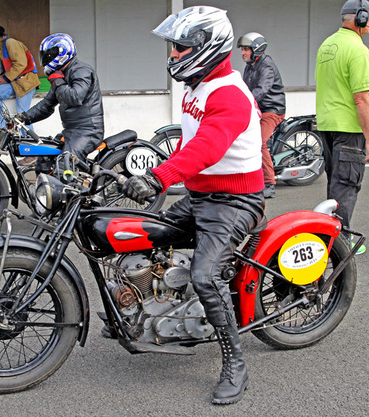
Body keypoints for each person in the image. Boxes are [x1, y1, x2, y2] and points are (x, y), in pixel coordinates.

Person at [123, 6, 265, 405]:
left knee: (206, 276)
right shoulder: (195, 88)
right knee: (147, 236)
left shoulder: (231, 95)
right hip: (201, 194)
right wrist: (156, 179)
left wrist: (158, 178)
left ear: (209, 48)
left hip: (235, 200)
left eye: (181, 48)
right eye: (173, 47)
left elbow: (209, 146)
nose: (172, 55)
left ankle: (235, 364)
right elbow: (189, 144)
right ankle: (148, 309)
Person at [315, 0, 369, 254]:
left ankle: (332, 235)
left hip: (327, 124)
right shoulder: (358, 50)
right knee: (346, 185)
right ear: (360, 18)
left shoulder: (326, 45)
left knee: (336, 183)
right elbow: (361, 98)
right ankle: (338, 244)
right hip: (348, 128)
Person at [17, 33, 104, 165]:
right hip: (71, 131)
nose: (46, 58)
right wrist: (23, 118)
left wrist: (57, 80)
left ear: (62, 53)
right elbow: (47, 105)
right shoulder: (60, 75)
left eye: (49, 54)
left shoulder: (82, 71)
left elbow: (75, 97)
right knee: (45, 159)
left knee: (66, 164)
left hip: (88, 131)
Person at [238, 32, 286, 198]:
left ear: (256, 50)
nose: (243, 52)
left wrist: (245, 102)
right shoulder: (249, 66)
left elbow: (261, 90)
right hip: (257, 109)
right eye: (242, 49)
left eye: (246, 49)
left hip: (271, 110)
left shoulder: (266, 66)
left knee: (259, 142)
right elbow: (245, 89)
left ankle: (269, 183)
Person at [0, 25, 40, 131]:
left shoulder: (10, 43)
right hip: (15, 82)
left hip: (26, 82)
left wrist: (5, 78)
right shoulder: (2, 48)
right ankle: (1, 129)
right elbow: (11, 67)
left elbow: (20, 64)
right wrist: (3, 76)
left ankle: (29, 143)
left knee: (23, 116)